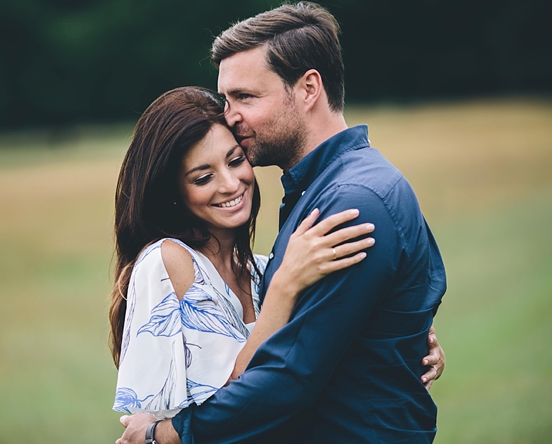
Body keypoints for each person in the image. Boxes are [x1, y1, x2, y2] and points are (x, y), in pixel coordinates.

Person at [118, 2, 447, 444]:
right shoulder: (335, 188)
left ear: (308, 88)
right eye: (226, 98)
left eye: (245, 97)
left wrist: (167, 434)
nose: (230, 115)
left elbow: (287, 374)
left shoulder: (350, 202)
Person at [110, 86, 380, 419]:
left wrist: (413, 337)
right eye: (203, 177)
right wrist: (284, 287)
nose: (230, 184)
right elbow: (231, 405)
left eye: (235, 161)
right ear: (173, 193)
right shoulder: (168, 262)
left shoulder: (259, 271)